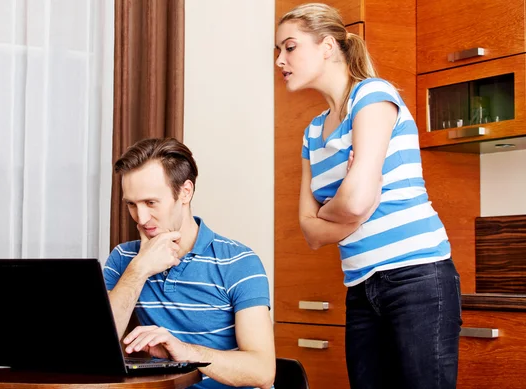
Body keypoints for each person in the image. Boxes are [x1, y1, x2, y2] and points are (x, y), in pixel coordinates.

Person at [275, 3, 462, 389]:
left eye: (289, 47)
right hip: (360, 285)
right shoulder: (312, 133)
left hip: (418, 277)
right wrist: (351, 207)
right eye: (279, 51)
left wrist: (340, 208)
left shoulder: (373, 95)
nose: (280, 60)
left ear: (327, 46)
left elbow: (352, 203)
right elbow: (310, 233)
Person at [103, 138, 275, 389]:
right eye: (131, 204)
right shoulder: (124, 259)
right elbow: (98, 347)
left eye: (151, 203)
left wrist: (186, 351)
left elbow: (262, 372)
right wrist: (140, 268)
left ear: (185, 192)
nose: (140, 218)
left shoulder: (238, 262)